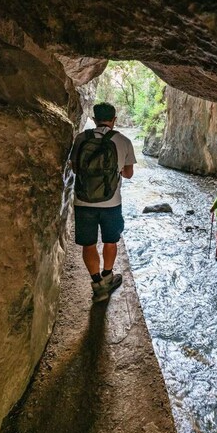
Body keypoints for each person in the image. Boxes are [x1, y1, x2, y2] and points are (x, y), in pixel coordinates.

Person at [70, 102, 137, 302]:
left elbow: (74, 169)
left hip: (83, 202)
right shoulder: (123, 140)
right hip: (111, 203)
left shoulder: (81, 138)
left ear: (94, 118)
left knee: (88, 244)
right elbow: (128, 174)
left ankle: (97, 284)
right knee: (110, 240)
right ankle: (108, 276)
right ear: (114, 119)